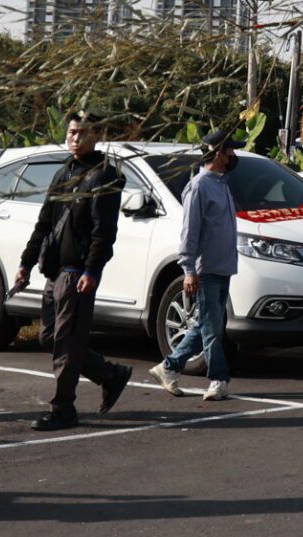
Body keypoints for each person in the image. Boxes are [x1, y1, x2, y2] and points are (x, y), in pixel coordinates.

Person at [14, 112, 133, 430]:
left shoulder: (104, 175)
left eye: (82, 133)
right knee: (50, 336)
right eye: (71, 132)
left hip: (77, 271)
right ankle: (110, 374)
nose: (75, 138)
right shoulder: (64, 172)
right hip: (54, 270)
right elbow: (44, 222)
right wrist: (26, 262)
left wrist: (91, 270)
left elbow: (103, 230)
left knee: (66, 342)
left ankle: (63, 408)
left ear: (97, 136)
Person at [153, 130, 242, 401]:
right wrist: (189, 270)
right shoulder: (199, 186)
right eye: (230, 150)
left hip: (223, 268)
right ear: (217, 152)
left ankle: (168, 367)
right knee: (212, 328)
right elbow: (189, 233)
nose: (233, 155)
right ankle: (218, 379)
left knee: (207, 324)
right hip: (206, 271)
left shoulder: (222, 183)